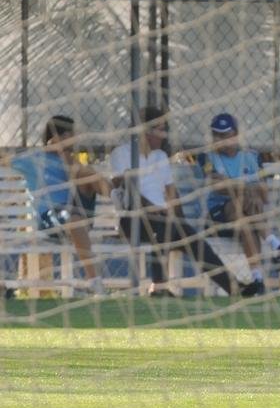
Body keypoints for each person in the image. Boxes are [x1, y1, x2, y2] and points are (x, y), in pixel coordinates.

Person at [109, 106, 264, 298]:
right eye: (160, 129)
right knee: (161, 221)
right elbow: (122, 188)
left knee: (197, 243)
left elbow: (172, 195)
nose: (164, 135)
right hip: (133, 219)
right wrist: (154, 210)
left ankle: (234, 288)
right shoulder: (122, 154)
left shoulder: (161, 157)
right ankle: (159, 287)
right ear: (145, 130)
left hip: (164, 220)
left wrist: (182, 223)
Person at [197, 112, 280, 290]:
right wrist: (247, 187)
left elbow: (264, 194)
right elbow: (217, 187)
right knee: (243, 199)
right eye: (215, 134)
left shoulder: (251, 156)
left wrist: (233, 184)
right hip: (217, 216)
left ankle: (257, 280)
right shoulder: (207, 157)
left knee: (246, 220)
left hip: (245, 217)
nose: (218, 139)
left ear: (235, 134)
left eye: (223, 134)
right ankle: (276, 244)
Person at [10, 115, 110, 290]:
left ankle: (117, 195)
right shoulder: (34, 158)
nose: (74, 139)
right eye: (70, 135)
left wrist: (65, 156)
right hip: (51, 217)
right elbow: (7, 160)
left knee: (86, 174)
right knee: (74, 219)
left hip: (77, 210)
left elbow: (83, 181)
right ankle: (94, 281)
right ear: (58, 136)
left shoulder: (72, 161)